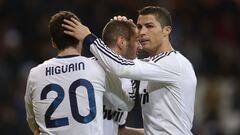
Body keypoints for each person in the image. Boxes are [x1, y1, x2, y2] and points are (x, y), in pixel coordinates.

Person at [62, 5, 197, 135]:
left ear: (166, 30)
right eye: (139, 27)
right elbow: (122, 62)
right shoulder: (150, 66)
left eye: (149, 26)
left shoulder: (173, 63)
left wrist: (88, 37)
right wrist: (120, 31)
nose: (142, 32)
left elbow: (121, 66)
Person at [24, 11, 134, 135]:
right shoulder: (97, 68)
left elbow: (33, 122)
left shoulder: (35, 74)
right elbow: (125, 104)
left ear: (53, 43)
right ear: (80, 38)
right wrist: (127, 37)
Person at [100, 20, 144, 135]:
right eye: (137, 41)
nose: (140, 47)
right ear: (122, 42)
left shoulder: (129, 79)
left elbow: (118, 130)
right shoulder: (90, 70)